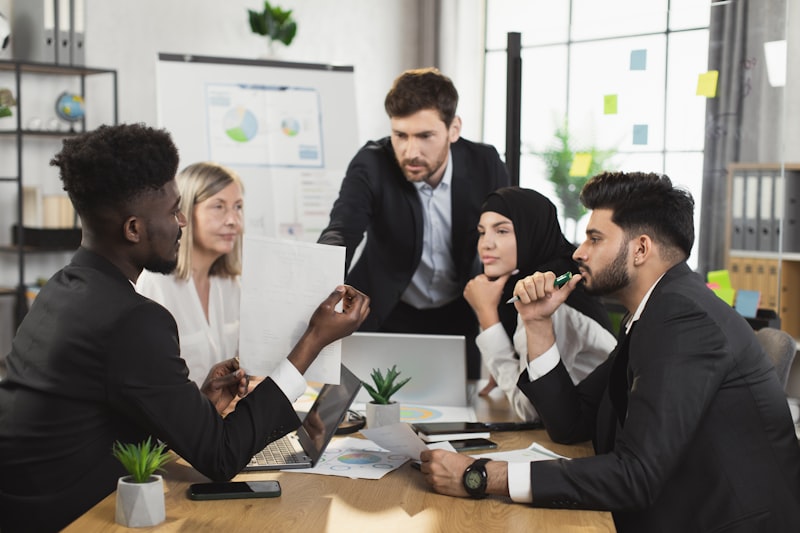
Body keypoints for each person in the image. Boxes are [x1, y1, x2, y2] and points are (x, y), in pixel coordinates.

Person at [0, 124, 370, 532]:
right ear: (133, 229)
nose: (181, 222)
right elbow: (221, 458)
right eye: (174, 211)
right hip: (73, 519)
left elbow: (102, 418)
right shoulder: (133, 318)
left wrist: (197, 406)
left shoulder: (61, 289)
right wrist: (314, 339)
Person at [420, 172, 800, 532]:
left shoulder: (683, 319)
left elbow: (637, 476)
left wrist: (485, 476)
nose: (580, 252)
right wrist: (537, 323)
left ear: (640, 249)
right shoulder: (650, 314)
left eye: (595, 239)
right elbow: (569, 424)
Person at [318, 67, 510, 379]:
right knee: (374, 413)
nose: (411, 151)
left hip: (458, 313)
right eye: (400, 135)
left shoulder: (484, 163)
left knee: (457, 415)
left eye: (425, 136)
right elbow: (342, 229)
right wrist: (314, 288)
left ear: (453, 129)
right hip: (385, 312)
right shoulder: (372, 163)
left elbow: (510, 238)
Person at [464, 186, 616, 419]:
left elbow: (533, 410)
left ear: (532, 232)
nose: (486, 244)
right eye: (482, 232)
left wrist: (487, 316)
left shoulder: (550, 297)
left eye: (502, 231)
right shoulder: (528, 281)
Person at [136, 162, 244, 385]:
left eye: (238, 207)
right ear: (184, 213)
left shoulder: (231, 284)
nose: (233, 220)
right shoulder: (155, 284)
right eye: (219, 207)